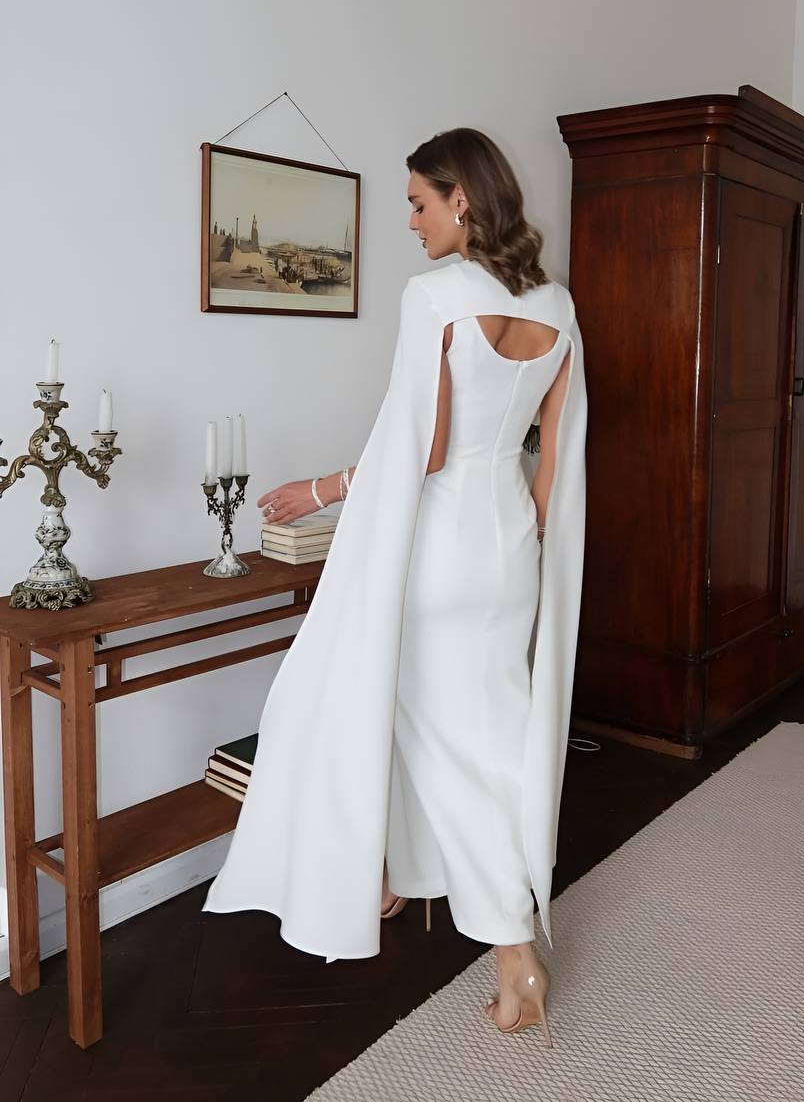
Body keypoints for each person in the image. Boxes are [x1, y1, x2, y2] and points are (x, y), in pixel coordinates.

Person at [202, 128, 587, 1047]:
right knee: (483, 737)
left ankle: (506, 943)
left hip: (443, 549)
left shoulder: (437, 299)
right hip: (510, 552)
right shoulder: (558, 305)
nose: (409, 223)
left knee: (413, 724)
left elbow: (425, 447)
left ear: (463, 199)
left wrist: (325, 489)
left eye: (418, 202)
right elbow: (554, 457)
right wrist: (531, 528)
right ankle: (389, 873)